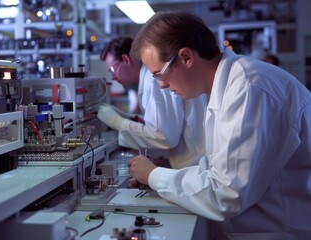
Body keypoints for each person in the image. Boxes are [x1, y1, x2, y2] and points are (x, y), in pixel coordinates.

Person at [128, 11, 311, 239]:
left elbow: (226, 194)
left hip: (278, 231)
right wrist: (166, 172)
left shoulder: (249, 88)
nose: (162, 85)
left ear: (186, 57)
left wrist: (154, 176)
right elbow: (219, 168)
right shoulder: (226, 86)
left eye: (159, 74)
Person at [98, 36, 208, 169]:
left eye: (112, 70)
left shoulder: (153, 79)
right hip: (192, 162)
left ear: (126, 60)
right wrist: (132, 119)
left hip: (195, 166)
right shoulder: (148, 79)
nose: (113, 77)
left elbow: (163, 136)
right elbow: (168, 123)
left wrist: (117, 122)